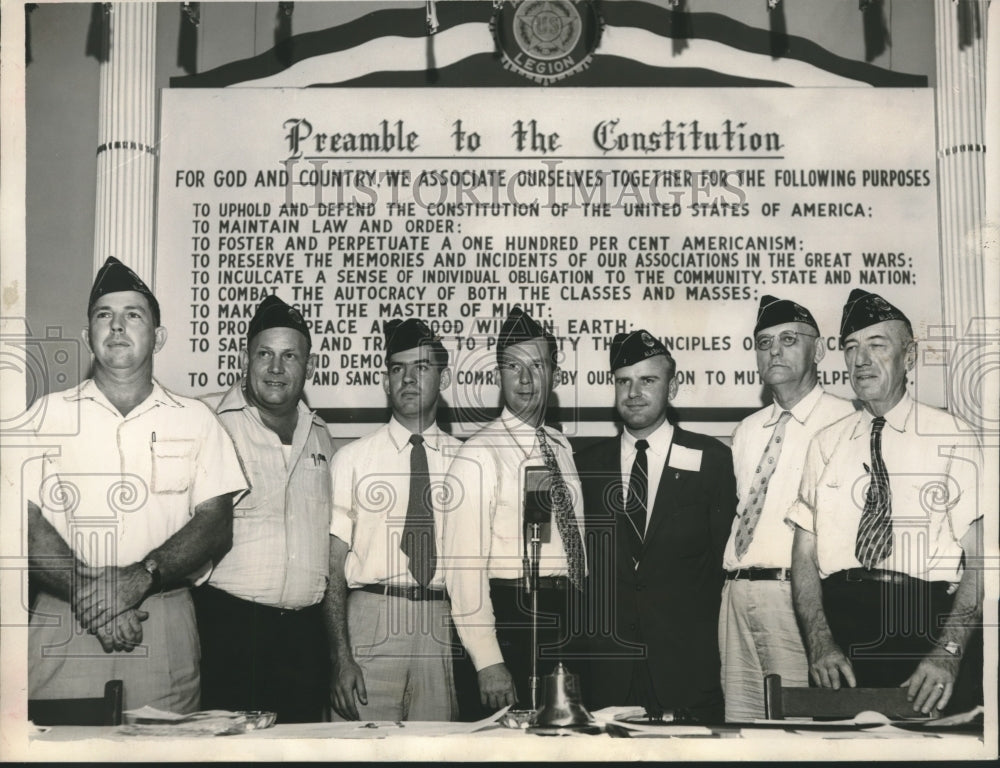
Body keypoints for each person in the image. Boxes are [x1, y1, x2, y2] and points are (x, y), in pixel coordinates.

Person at [26, 256, 247, 713]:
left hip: (162, 621)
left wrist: (139, 578)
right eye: (104, 315)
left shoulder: (197, 420)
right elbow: (18, 519)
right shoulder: (44, 417)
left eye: (133, 315)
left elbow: (215, 523)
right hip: (64, 620)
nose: (117, 326)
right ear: (89, 336)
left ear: (158, 337)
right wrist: (93, 593)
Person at [788, 288, 984, 716]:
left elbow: (983, 559)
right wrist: (820, 643)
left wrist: (949, 650)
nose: (861, 360)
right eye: (852, 348)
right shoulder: (826, 443)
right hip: (840, 642)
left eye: (877, 346)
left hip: (925, 627)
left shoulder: (952, 435)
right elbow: (803, 557)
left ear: (909, 357)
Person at [575, 330, 735, 723]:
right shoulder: (586, 465)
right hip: (607, 670)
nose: (634, 392)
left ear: (673, 386)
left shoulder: (711, 458)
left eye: (648, 380)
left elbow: (721, 566)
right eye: (623, 381)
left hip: (686, 670)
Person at [193, 294, 334, 722]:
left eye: (290, 356)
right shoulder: (208, 421)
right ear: (245, 357)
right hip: (230, 628)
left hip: (306, 638)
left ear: (307, 366)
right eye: (265, 354)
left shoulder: (322, 434)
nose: (276, 368)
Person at [718, 296, 855, 721]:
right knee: (740, 730)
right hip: (735, 595)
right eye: (764, 343)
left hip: (796, 598)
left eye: (788, 340)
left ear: (818, 350)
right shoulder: (746, 431)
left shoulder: (847, 421)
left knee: (800, 729)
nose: (774, 351)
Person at [443, 307, 587, 712]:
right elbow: (463, 568)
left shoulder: (561, 447)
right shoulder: (479, 453)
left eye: (536, 366)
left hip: (566, 618)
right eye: (512, 367)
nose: (524, 379)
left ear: (555, 376)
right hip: (510, 619)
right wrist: (488, 659)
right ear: (498, 376)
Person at [324, 318, 461, 721]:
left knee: (438, 752)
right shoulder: (352, 459)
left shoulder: (470, 461)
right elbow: (332, 568)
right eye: (397, 369)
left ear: (444, 377)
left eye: (421, 368)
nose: (407, 378)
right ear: (385, 381)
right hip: (370, 618)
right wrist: (340, 657)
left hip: (441, 621)